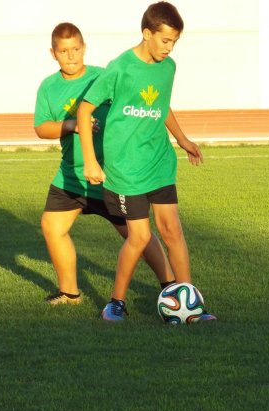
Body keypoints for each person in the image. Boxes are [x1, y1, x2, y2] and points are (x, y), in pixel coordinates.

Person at [77, 2, 216, 321]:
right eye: (165, 41)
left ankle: (191, 305)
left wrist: (182, 140)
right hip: (126, 170)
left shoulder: (169, 68)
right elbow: (85, 110)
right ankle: (116, 303)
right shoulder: (120, 67)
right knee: (139, 237)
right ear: (147, 33)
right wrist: (90, 162)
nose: (170, 48)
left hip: (160, 163)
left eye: (175, 42)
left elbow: (161, 104)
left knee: (172, 231)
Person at [35, 22, 175, 305]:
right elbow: (42, 128)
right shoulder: (48, 87)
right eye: (64, 51)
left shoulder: (104, 75)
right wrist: (71, 124)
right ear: (53, 53)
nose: (71, 56)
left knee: (140, 235)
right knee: (52, 226)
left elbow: (147, 105)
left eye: (76, 49)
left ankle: (170, 286)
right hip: (72, 176)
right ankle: (70, 292)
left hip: (110, 176)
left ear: (84, 48)